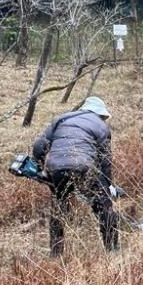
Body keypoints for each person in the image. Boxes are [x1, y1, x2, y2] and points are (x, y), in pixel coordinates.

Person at [33, 96, 120, 254]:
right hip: (84, 167)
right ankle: (113, 251)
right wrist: (108, 186)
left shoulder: (60, 119)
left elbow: (39, 147)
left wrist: (41, 170)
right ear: (100, 114)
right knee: (104, 207)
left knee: (59, 207)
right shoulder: (101, 126)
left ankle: (56, 253)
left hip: (56, 168)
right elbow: (105, 161)